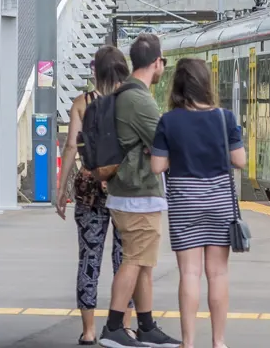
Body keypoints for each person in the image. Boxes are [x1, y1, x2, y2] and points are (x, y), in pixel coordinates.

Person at [149, 58, 244, 348]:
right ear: (205, 84)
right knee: (218, 273)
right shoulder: (224, 118)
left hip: (184, 202)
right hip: (218, 201)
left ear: (178, 86)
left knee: (189, 273)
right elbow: (240, 160)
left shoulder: (169, 121)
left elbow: (156, 166)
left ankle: (188, 342)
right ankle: (218, 341)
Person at [97, 34, 180, 348]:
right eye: (163, 63)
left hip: (130, 190)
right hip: (137, 193)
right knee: (134, 259)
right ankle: (114, 326)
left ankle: (145, 326)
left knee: (142, 261)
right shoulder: (140, 98)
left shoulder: (126, 93)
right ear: (157, 62)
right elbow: (164, 144)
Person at [55, 46, 134, 346]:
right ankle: (123, 326)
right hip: (124, 188)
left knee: (89, 257)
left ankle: (88, 330)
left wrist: (60, 191)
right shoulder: (130, 102)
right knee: (126, 260)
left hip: (89, 188)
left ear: (94, 72)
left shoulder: (81, 103)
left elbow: (71, 148)